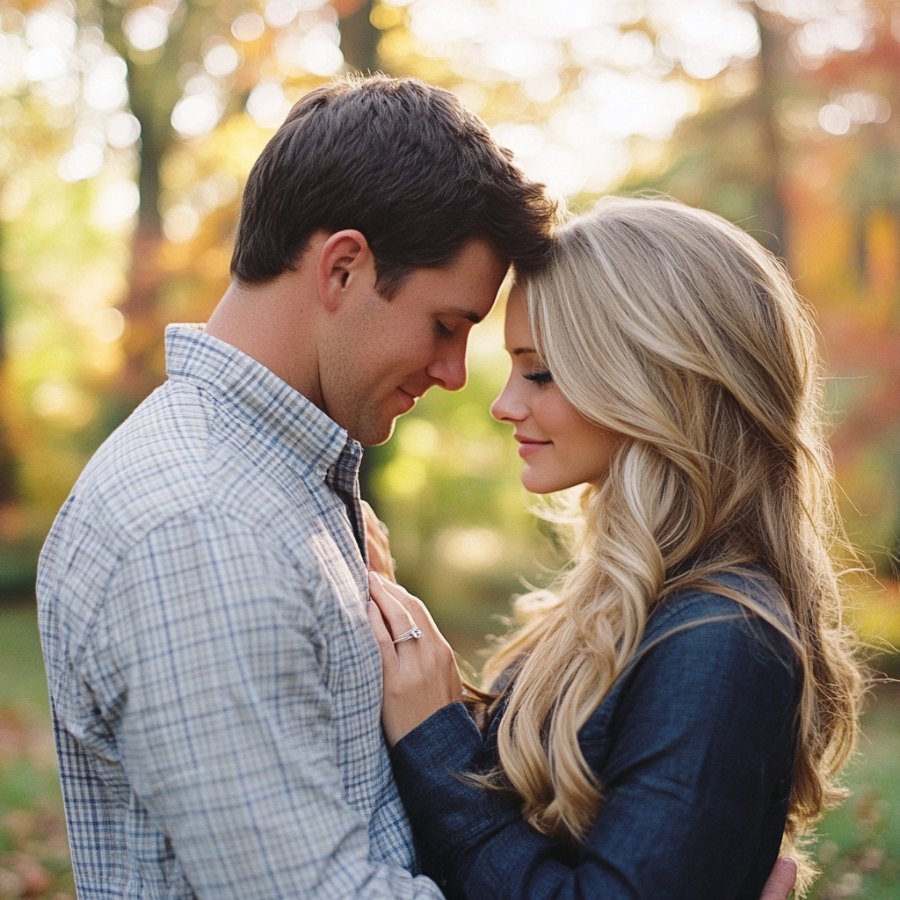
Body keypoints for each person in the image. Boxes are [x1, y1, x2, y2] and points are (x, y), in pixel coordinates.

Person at [36, 74, 556, 900]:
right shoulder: (202, 527)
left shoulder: (279, 488)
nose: (457, 374)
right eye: (445, 326)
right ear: (344, 268)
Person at [367, 197, 865, 900]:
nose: (504, 404)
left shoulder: (723, 637)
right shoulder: (633, 601)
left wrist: (432, 737)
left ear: (652, 380)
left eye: (538, 372)